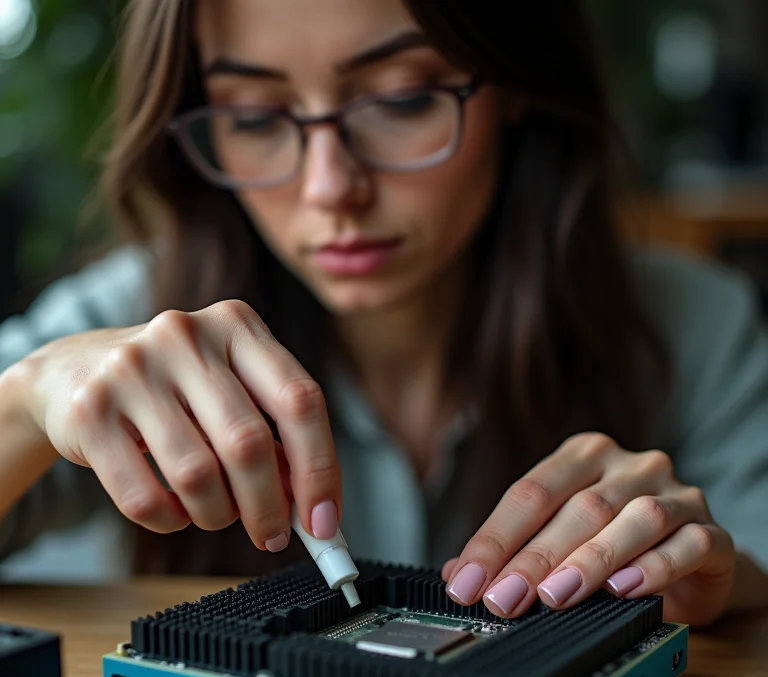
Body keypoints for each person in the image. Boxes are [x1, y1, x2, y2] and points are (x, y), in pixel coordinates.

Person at [1, 0, 767, 626]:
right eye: (254, 117)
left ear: (515, 85)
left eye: (401, 99)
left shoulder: (694, 322)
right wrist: (28, 400)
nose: (330, 187)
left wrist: (716, 573)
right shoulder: (137, 323)